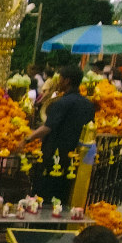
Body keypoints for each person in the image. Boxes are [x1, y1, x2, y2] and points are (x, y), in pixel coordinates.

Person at [28, 66, 95, 203]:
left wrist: (27, 139)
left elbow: (48, 128)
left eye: (60, 79)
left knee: (46, 195)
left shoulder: (62, 103)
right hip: (75, 157)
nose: (58, 82)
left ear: (67, 81)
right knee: (64, 195)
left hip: (55, 156)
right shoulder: (88, 104)